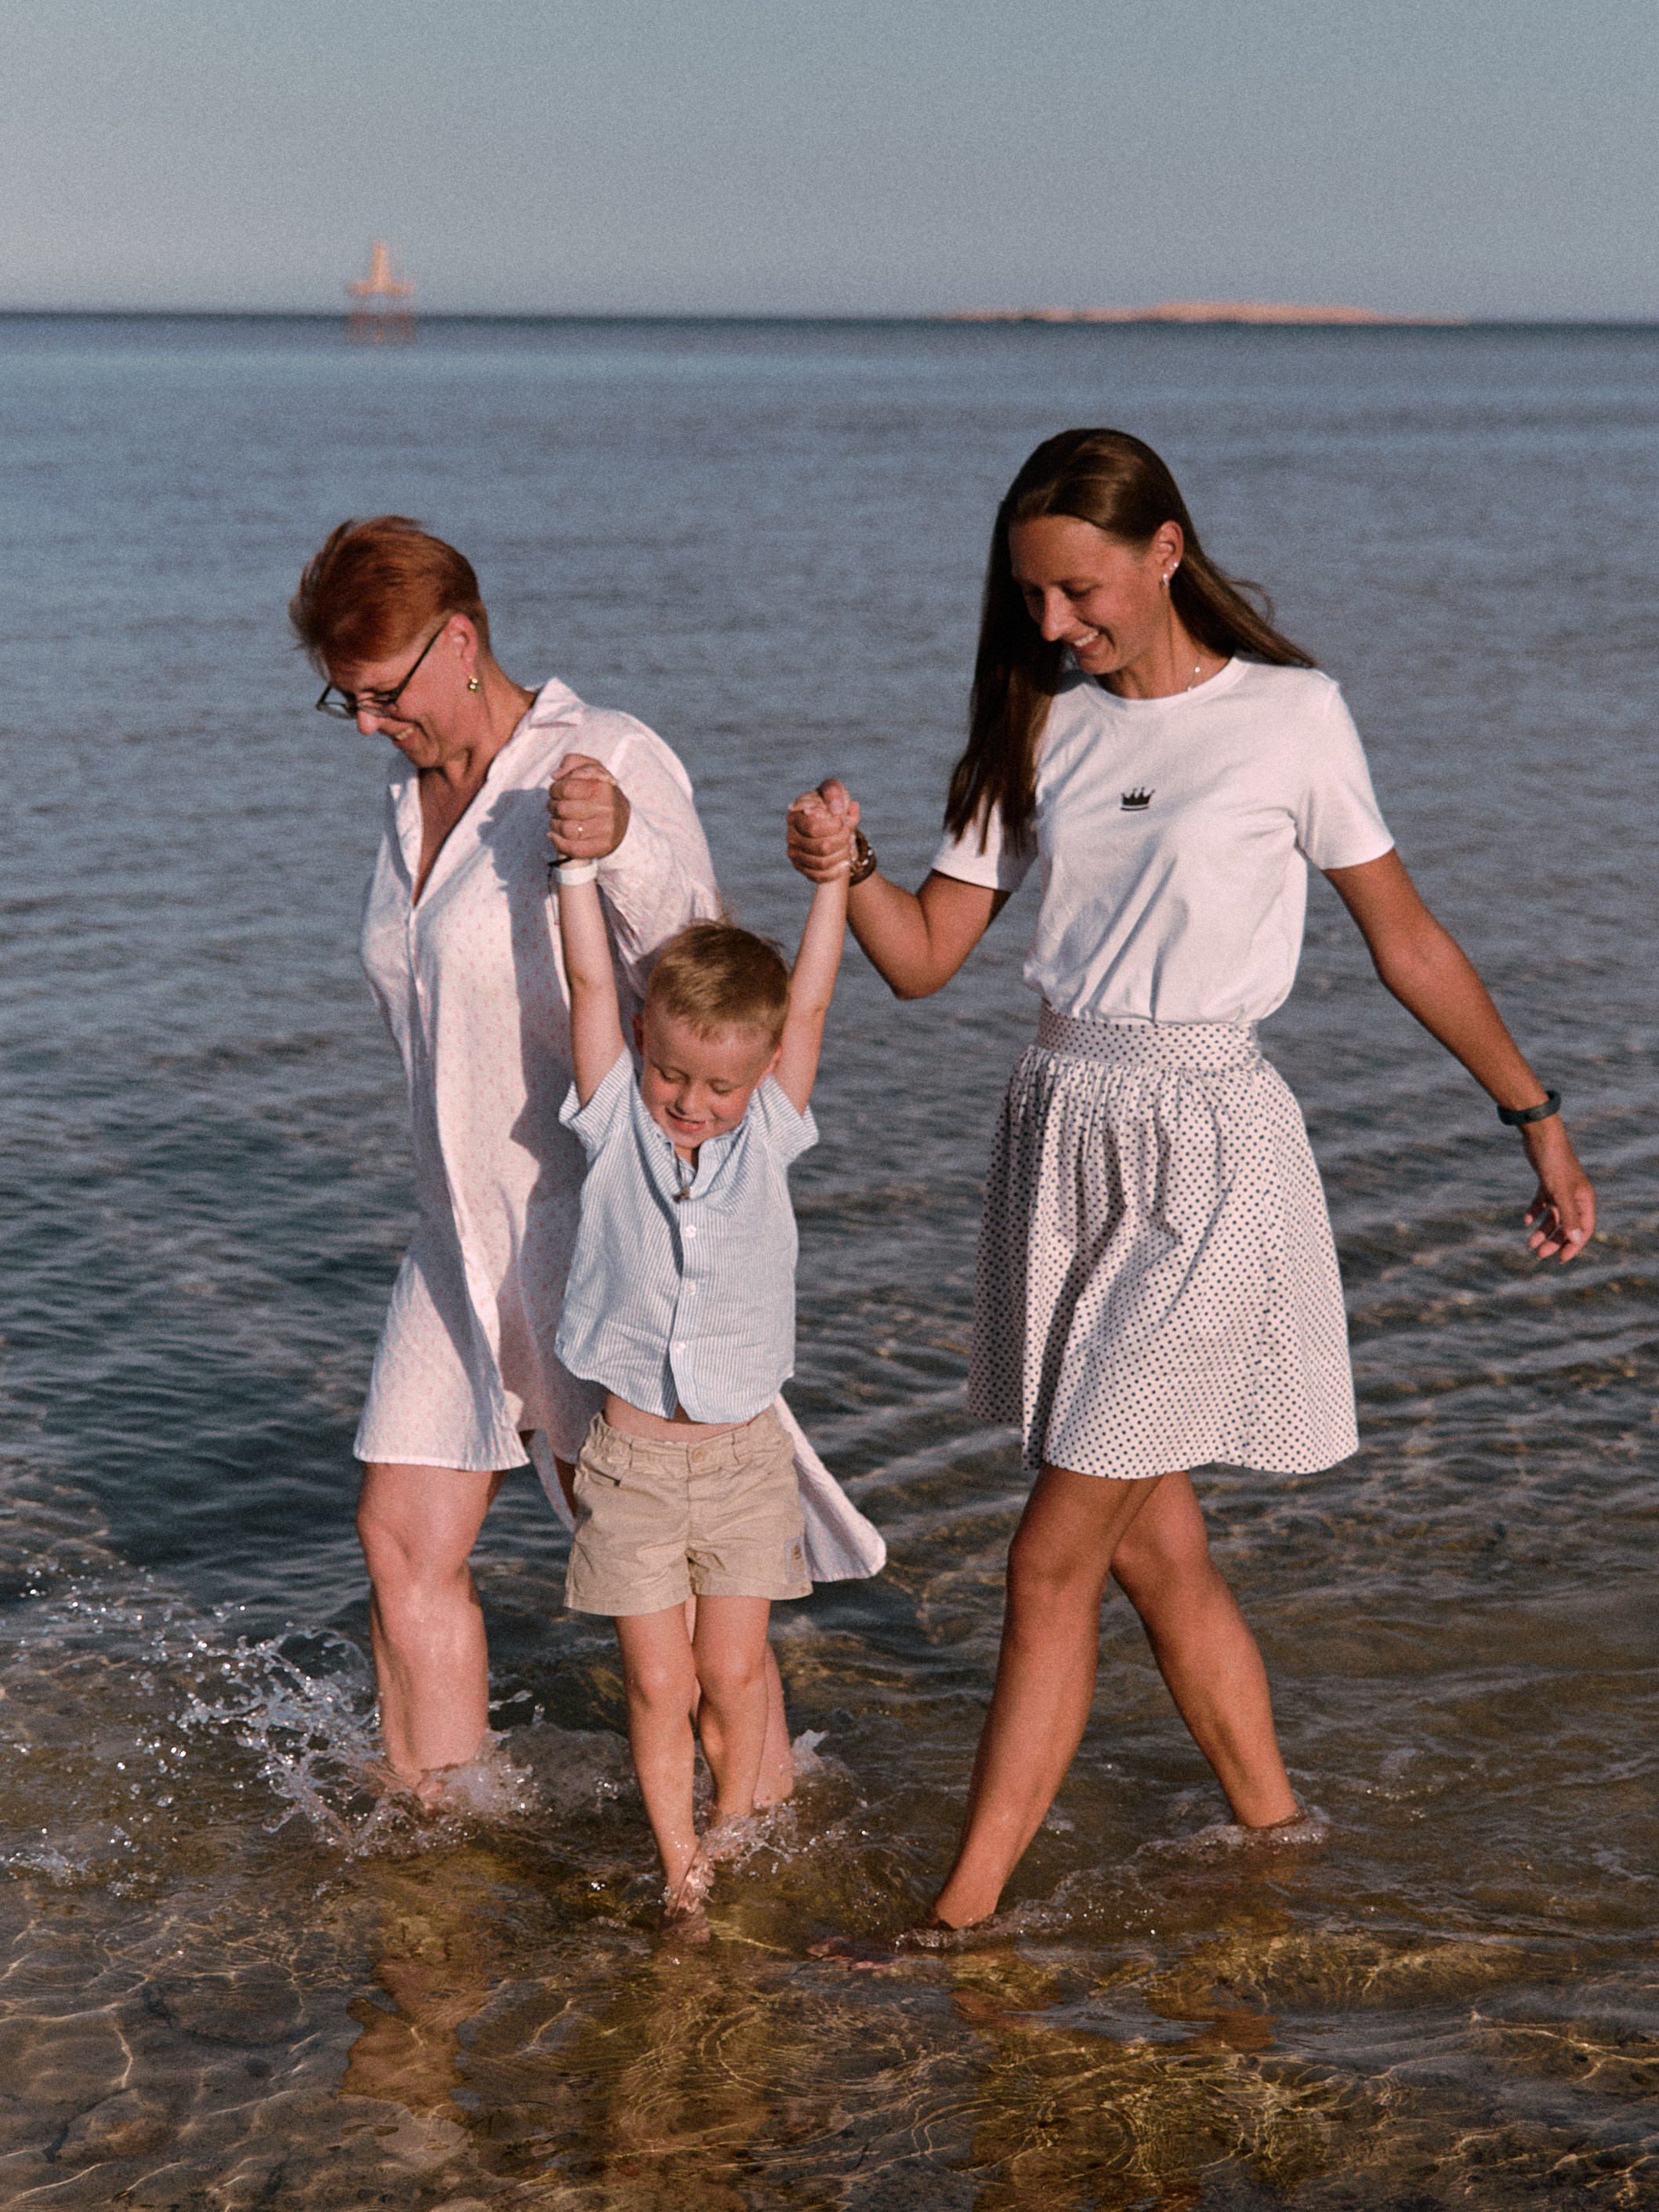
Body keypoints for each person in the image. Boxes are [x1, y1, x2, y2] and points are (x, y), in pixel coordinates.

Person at [787, 428, 1596, 1938]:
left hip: (1212, 1154)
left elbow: (1404, 940)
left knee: (1048, 1557)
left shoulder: (1291, 716)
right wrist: (845, 866)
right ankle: (1276, 1831)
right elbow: (925, 958)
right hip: (1062, 1137)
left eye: (1077, 590)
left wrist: (1532, 1115)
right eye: (1029, 595)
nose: (1051, 623)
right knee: (1153, 1547)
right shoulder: (1038, 720)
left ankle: (956, 1919)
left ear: (1163, 551)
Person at [291, 517, 878, 1807]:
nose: (366, 724)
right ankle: (439, 1832)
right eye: (346, 698)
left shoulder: (600, 754)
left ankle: (762, 1840)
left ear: (460, 640)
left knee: (672, 1595)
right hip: (456, 1230)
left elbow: (711, 972)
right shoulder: (407, 797)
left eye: (381, 692)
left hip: (590, 1228)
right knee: (400, 1539)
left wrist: (620, 847)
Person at [549, 824, 851, 1914]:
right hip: (630, 1464)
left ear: (760, 1073)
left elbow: (808, 1005)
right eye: (671, 1071)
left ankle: (730, 1830)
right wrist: (575, 872)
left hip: (741, 1462)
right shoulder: (613, 1122)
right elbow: (591, 981)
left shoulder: (768, 1132)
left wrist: (833, 882)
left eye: (720, 1083)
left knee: (731, 1673)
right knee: (656, 1680)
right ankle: (679, 1866)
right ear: (642, 1042)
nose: (690, 1101)